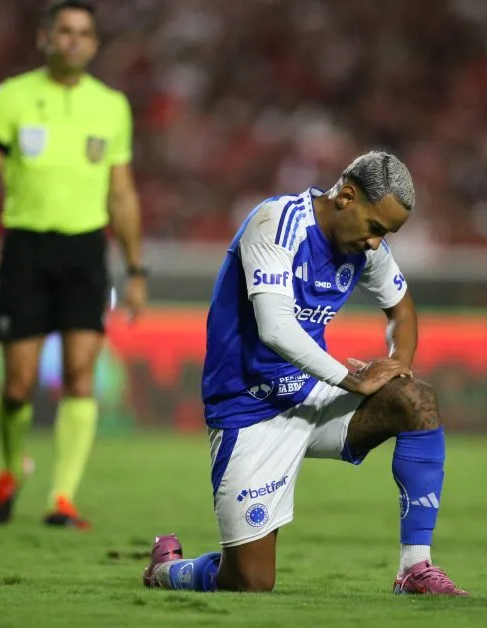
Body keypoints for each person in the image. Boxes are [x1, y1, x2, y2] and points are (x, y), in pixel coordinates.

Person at [140, 151, 468, 594]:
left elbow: (402, 310)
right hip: (249, 409)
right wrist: (350, 378)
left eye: (385, 234)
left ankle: (415, 568)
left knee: (416, 400)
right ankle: (167, 568)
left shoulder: (364, 246)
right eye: (375, 228)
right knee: (249, 583)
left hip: (313, 398)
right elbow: (275, 328)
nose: (376, 243)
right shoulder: (276, 223)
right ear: (347, 196)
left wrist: (397, 366)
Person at [0, 0, 146, 529]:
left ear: (93, 43)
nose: (74, 40)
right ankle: (8, 469)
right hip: (24, 247)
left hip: (86, 251)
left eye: (84, 32)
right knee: (18, 383)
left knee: (79, 375)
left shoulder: (111, 105)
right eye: (64, 31)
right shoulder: (10, 97)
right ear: (45, 38)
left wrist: (135, 271)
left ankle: (61, 498)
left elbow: (123, 194)